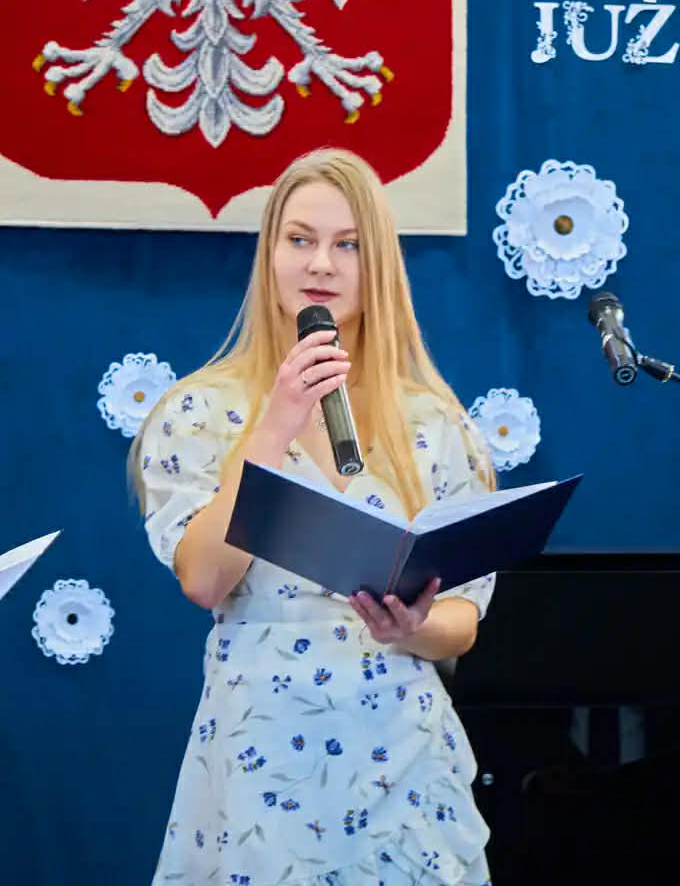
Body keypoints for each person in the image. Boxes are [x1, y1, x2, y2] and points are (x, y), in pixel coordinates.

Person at [131, 148, 497, 886]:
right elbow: (203, 580)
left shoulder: (434, 420)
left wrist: (410, 627)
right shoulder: (200, 411)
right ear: (269, 255)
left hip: (401, 753)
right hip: (261, 758)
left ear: (378, 264)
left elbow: (464, 619)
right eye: (299, 239)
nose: (321, 263)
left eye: (347, 244)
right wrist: (274, 426)